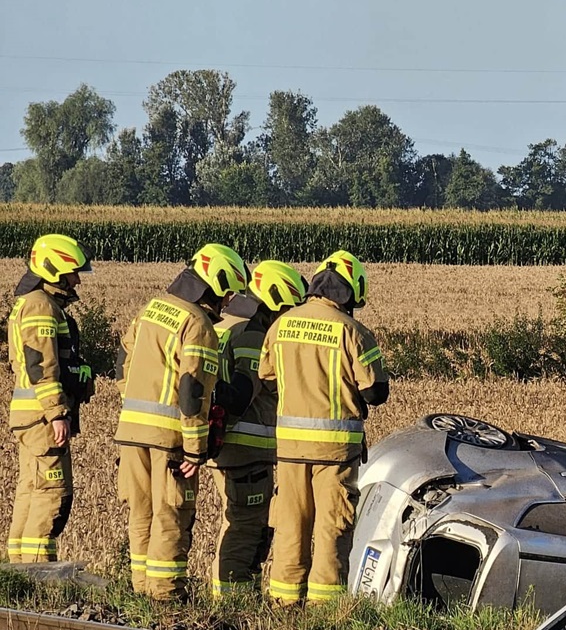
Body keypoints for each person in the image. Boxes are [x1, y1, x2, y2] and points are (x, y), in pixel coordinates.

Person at [115, 243, 246, 600]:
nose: (228, 302)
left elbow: (122, 362)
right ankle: (165, 595)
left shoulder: (151, 310)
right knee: (172, 515)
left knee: (141, 515)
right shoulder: (198, 324)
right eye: (228, 293)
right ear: (215, 285)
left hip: (130, 432)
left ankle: (141, 592)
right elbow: (193, 393)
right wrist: (195, 450)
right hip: (170, 439)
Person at [259, 250, 389, 607]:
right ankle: (324, 609)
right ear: (351, 292)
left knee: (290, 527)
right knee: (332, 528)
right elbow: (376, 392)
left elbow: (267, 377)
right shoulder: (353, 332)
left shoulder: (280, 325)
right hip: (334, 453)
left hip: (288, 451)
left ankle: (284, 604)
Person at [209, 260, 307, 599]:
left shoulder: (222, 324)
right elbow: (242, 393)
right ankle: (235, 602)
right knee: (247, 528)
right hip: (245, 449)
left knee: (233, 522)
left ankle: (225, 595)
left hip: (224, 445)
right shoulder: (252, 335)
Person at [7, 234, 95, 563]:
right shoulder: (41, 306)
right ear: (55, 270)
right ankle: (39, 574)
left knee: (31, 491)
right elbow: (41, 364)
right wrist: (57, 413)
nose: (76, 280)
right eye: (73, 273)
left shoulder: (33, 303)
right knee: (52, 495)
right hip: (43, 418)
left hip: (31, 417)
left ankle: (17, 575)